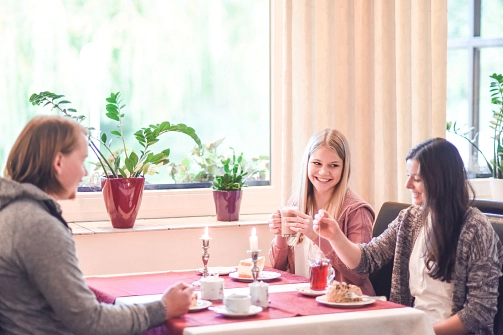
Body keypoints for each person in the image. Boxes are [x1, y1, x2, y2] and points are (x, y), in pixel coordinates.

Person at [0, 115, 194, 334]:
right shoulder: (37, 226)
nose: (84, 172)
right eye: (82, 161)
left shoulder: (11, 212)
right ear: (58, 162)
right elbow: (89, 322)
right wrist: (164, 308)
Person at [313, 138, 503, 335]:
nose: (407, 184)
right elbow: (367, 260)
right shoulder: (410, 218)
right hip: (410, 327)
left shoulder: (475, 228)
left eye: (417, 179)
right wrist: (334, 236)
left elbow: (479, 312)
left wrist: (422, 332)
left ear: (442, 180)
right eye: (408, 176)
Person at [268, 128, 375, 295]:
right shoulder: (296, 204)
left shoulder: (356, 211)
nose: (324, 172)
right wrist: (280, 235)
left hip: (344, 304)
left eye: (333, 165)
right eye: (317, 163)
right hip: (304, 298)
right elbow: (278, 269)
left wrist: (314, 235)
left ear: (343, 168)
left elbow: (359, 274)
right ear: (307, 163)